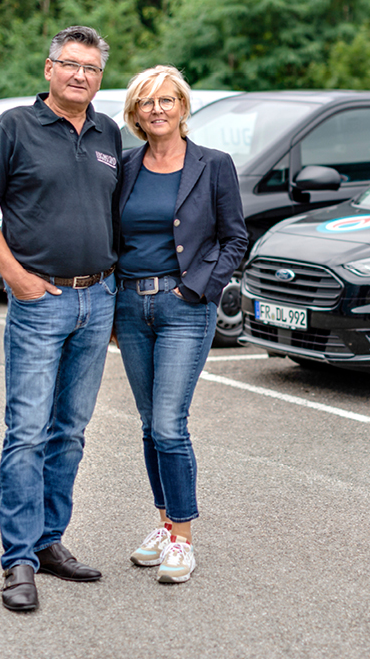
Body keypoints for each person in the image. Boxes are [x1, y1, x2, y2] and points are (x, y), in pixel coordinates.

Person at [0, 26, 123, 612]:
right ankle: (19, 562)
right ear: (50, 68)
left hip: (98, 298)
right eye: (71, 64)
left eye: (92, 68)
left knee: (71, 432)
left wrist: (114, 299)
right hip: (41, 302)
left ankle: (50, 541)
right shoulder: (14, 127)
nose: (81, 75)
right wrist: (16, 277)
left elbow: (117, 216)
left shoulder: (110, 133)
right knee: (27, 431)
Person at [114, 65, 247, 584]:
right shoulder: (125, 166)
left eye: (167, 99)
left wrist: (196, 290)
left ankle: (183, 539)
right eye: (147, 102)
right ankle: (165, 525)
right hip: (130, 305)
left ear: (183, 107)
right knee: (149, 426)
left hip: (183, 308)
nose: (158, 109)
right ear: (135, 113)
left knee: (170, 424)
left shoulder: (213, 165)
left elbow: (235, 237)